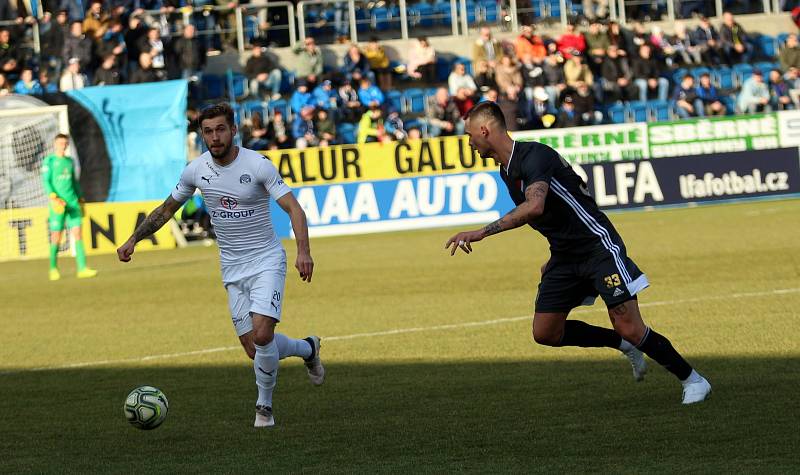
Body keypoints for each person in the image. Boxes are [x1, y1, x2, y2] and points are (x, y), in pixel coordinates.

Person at [445, 102, 711, 405]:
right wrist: (555, 255)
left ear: (484, 130)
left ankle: (693, 380)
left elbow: (535, 206)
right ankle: (622, 344)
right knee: (545, 332)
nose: (469, 143)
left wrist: (480, 233)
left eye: (469, 136)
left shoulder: (535, 155)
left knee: (631, 326)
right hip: (564, 255)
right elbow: (548, 214)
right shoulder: (506, 171)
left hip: (598, 248)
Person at [116, 103, 324, 428]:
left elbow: (294, 209)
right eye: (208, 132)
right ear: (202, 135)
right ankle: (307, 349)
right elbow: (166, 209)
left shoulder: (258, 165)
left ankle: (264, 408)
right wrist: (133, 239)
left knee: (262, 333)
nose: (215, 137)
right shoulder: (195, 170)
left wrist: (303, 252)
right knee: (254, 349)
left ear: (233, 130)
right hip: (232, 268)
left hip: (266, 260)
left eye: (220, 129)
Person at [42, 134, 97, 281]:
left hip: (72, 202)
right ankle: (53, 269)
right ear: (55, 144)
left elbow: (74, 181)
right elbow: (46, 182)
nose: (63, 146)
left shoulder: (69, 161)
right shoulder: (50, 161)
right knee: (56, 236)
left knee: (78, 234)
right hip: (57, 204)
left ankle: (82, 268)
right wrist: (54, 196)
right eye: (60, 143)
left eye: (65, 143)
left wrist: (80, 197)